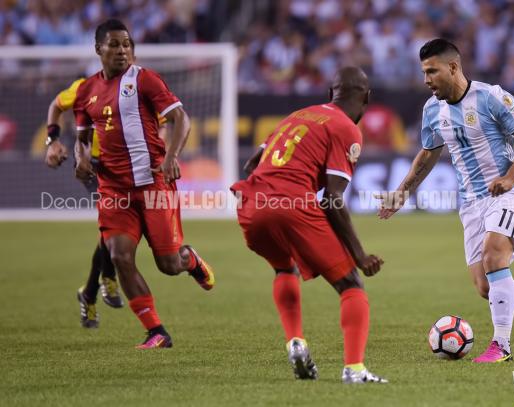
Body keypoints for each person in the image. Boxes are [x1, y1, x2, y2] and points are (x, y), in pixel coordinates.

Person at [376, 39, 514, 363]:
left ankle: (501, 347)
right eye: (423, 72)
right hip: (471, 204)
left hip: (509, 192)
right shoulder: (432, 109)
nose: (426, 80)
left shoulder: (491, 97)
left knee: (494, 256)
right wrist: (402, 192)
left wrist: (510, 177)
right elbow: (428, 153)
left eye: (432, 71)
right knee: (487, 286)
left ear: (453, 67)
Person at [232, 67, 387, 383]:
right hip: (291, 206)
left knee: (283, 268)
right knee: (350, 285)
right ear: (367, 97)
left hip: (251, 203)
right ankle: (355, 370)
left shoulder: (298, 115)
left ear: (331, 93)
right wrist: (358, 253)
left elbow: (252, 163)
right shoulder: (346, 128)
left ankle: (295, 342)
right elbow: (332, 197)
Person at [72, 19, 215, 349]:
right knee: (120, 256)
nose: (122, 50)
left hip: (154, 184)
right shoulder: (85, 91)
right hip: (113, 189)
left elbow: (182, 119)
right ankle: (156, 332)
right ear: (99, 49)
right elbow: (82, 137)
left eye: (127, 44)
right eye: (114, 44)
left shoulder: (145, 80)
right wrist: (80, 158)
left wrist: (172, 156)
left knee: (168, 264)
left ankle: (189, 260)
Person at [46, 76, 127, 328]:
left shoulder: (139, 85)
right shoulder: (84, 86)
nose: (122, 55)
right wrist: (53, 140)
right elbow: (56, 106)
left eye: (127, 49)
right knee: (115, 221)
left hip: (126, 167)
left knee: (118, 228)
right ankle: (108, 277)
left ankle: (90, 291)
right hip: (92, 166)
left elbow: (162, 121)